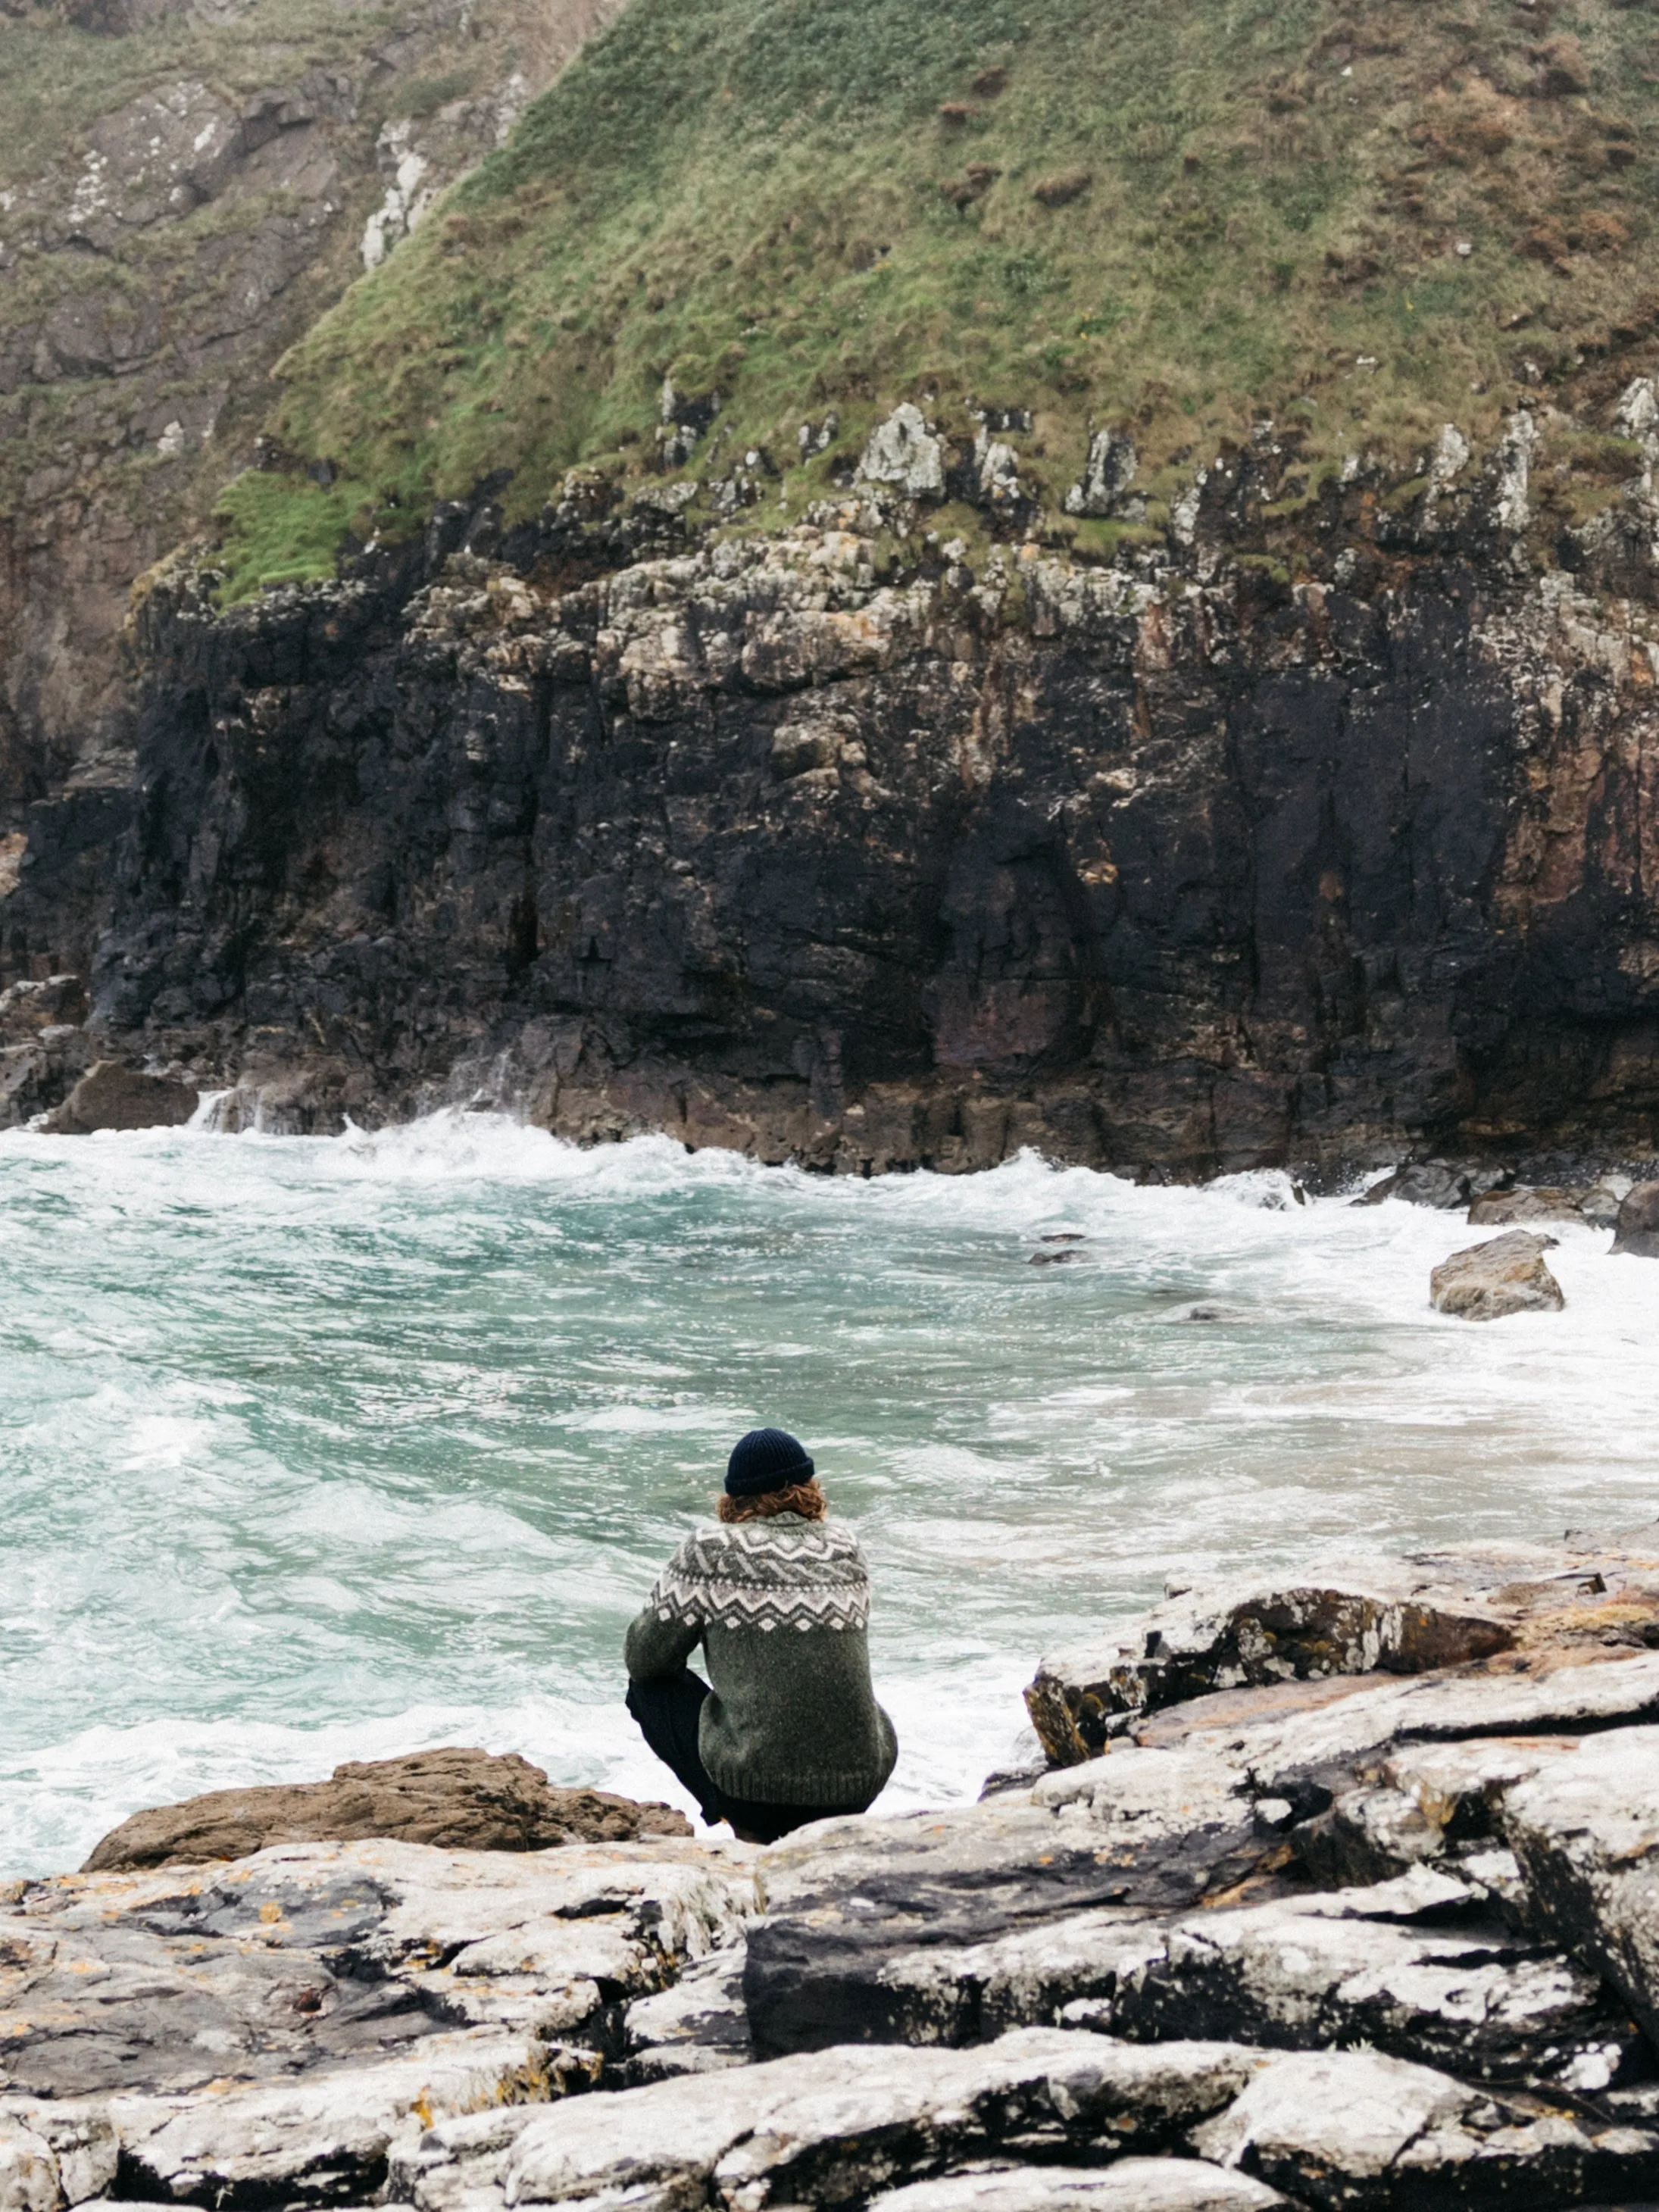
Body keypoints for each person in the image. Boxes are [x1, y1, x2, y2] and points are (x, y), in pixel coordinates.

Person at [623, 1426, 898, 1844]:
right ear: (809, 1487)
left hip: (760, 1796)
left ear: (734, 1498)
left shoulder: (710, 1549)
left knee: (650, 1689)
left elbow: (645, 1659)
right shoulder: (846, 1547)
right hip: (857, 1785)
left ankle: (742, 1829)